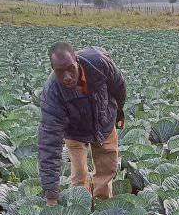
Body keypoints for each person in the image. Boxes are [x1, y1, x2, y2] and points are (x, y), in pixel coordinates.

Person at [38, 42, 127, 206]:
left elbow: (119, 86)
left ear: (77, 61)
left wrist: (119, 111)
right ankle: (81, 210)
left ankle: (102, 207)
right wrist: (51, 197)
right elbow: (49, 145)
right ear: (53, 70)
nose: (67, 77)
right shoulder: (52, 94)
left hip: (103, 120)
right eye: (60, 72)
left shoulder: (98, 63)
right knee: (79, 175)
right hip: (74, 131)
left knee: (106, 169)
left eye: (71, 68)